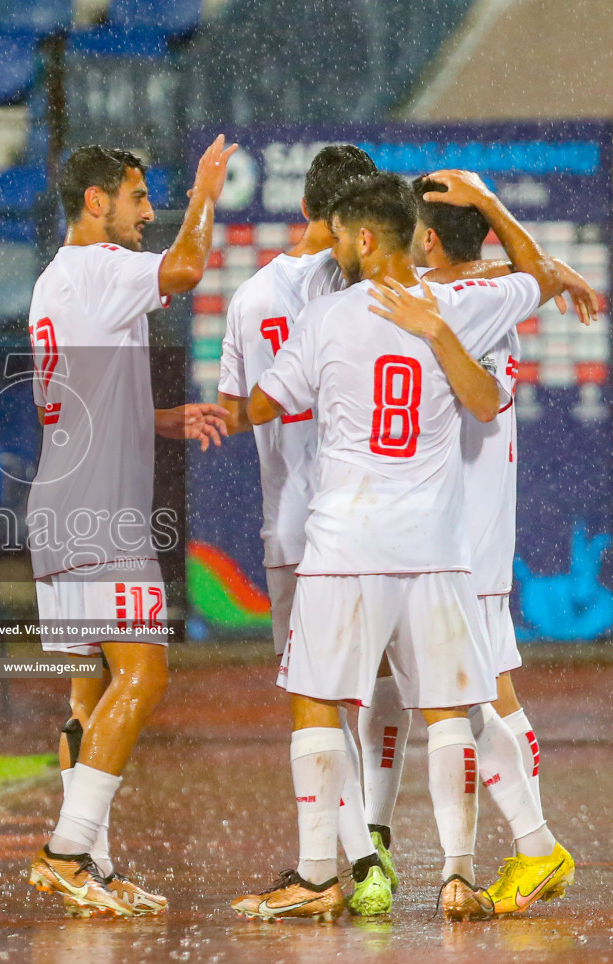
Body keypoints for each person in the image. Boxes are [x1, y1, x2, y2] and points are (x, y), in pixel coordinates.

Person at [233, 171, 564, 921]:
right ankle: (456, 874)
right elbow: (537, 281)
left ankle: (321, 874)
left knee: (317, 698)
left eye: (344, 234)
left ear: (365, 237)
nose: (338, 245)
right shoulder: (460, 306)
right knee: (450, 711)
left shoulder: (325, 317)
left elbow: (262, 402)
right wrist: (486, 209)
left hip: (346, 545)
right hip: (439, 548)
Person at [351, 173, 594, 915]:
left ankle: (532, 847)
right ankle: (513, 848)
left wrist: (487, 204)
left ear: (427, 237)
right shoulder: (467, 290)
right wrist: (493, 216)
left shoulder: (480, 308)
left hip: (467, 538)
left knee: (480, 697)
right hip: (437, 532)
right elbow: (536, 275)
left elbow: (532, 284)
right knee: (468, 694)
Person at [25, 138, 236, 918]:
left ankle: (93, 866)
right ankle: (66, 851)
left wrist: (156, 420)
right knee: (143, 676)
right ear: (95, 201)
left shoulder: (55, 280)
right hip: (102, 515)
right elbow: (185, 267)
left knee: (91, 691)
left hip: (61, 507)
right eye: (139, 197)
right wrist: (206, 194)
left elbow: (83, 397)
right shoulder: (104, 269)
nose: (149, 213)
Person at [215, 144, 397, 917]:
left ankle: (345, 863)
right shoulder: (366, 289)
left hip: (297, 527)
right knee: (388, 685)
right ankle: (370, 841)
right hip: (379, 523)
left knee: (313, 698)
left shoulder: (253, 299)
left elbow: (234, 410)